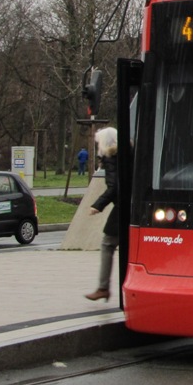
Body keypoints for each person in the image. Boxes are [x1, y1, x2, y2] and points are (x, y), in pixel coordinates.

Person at [85, 127, 118, 302]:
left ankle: (103, 287)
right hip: (131, 205)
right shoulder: (126, 153)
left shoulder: (111, 158)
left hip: (122, 208)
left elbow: (114, 187)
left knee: (107, 243)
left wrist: (97, 205)